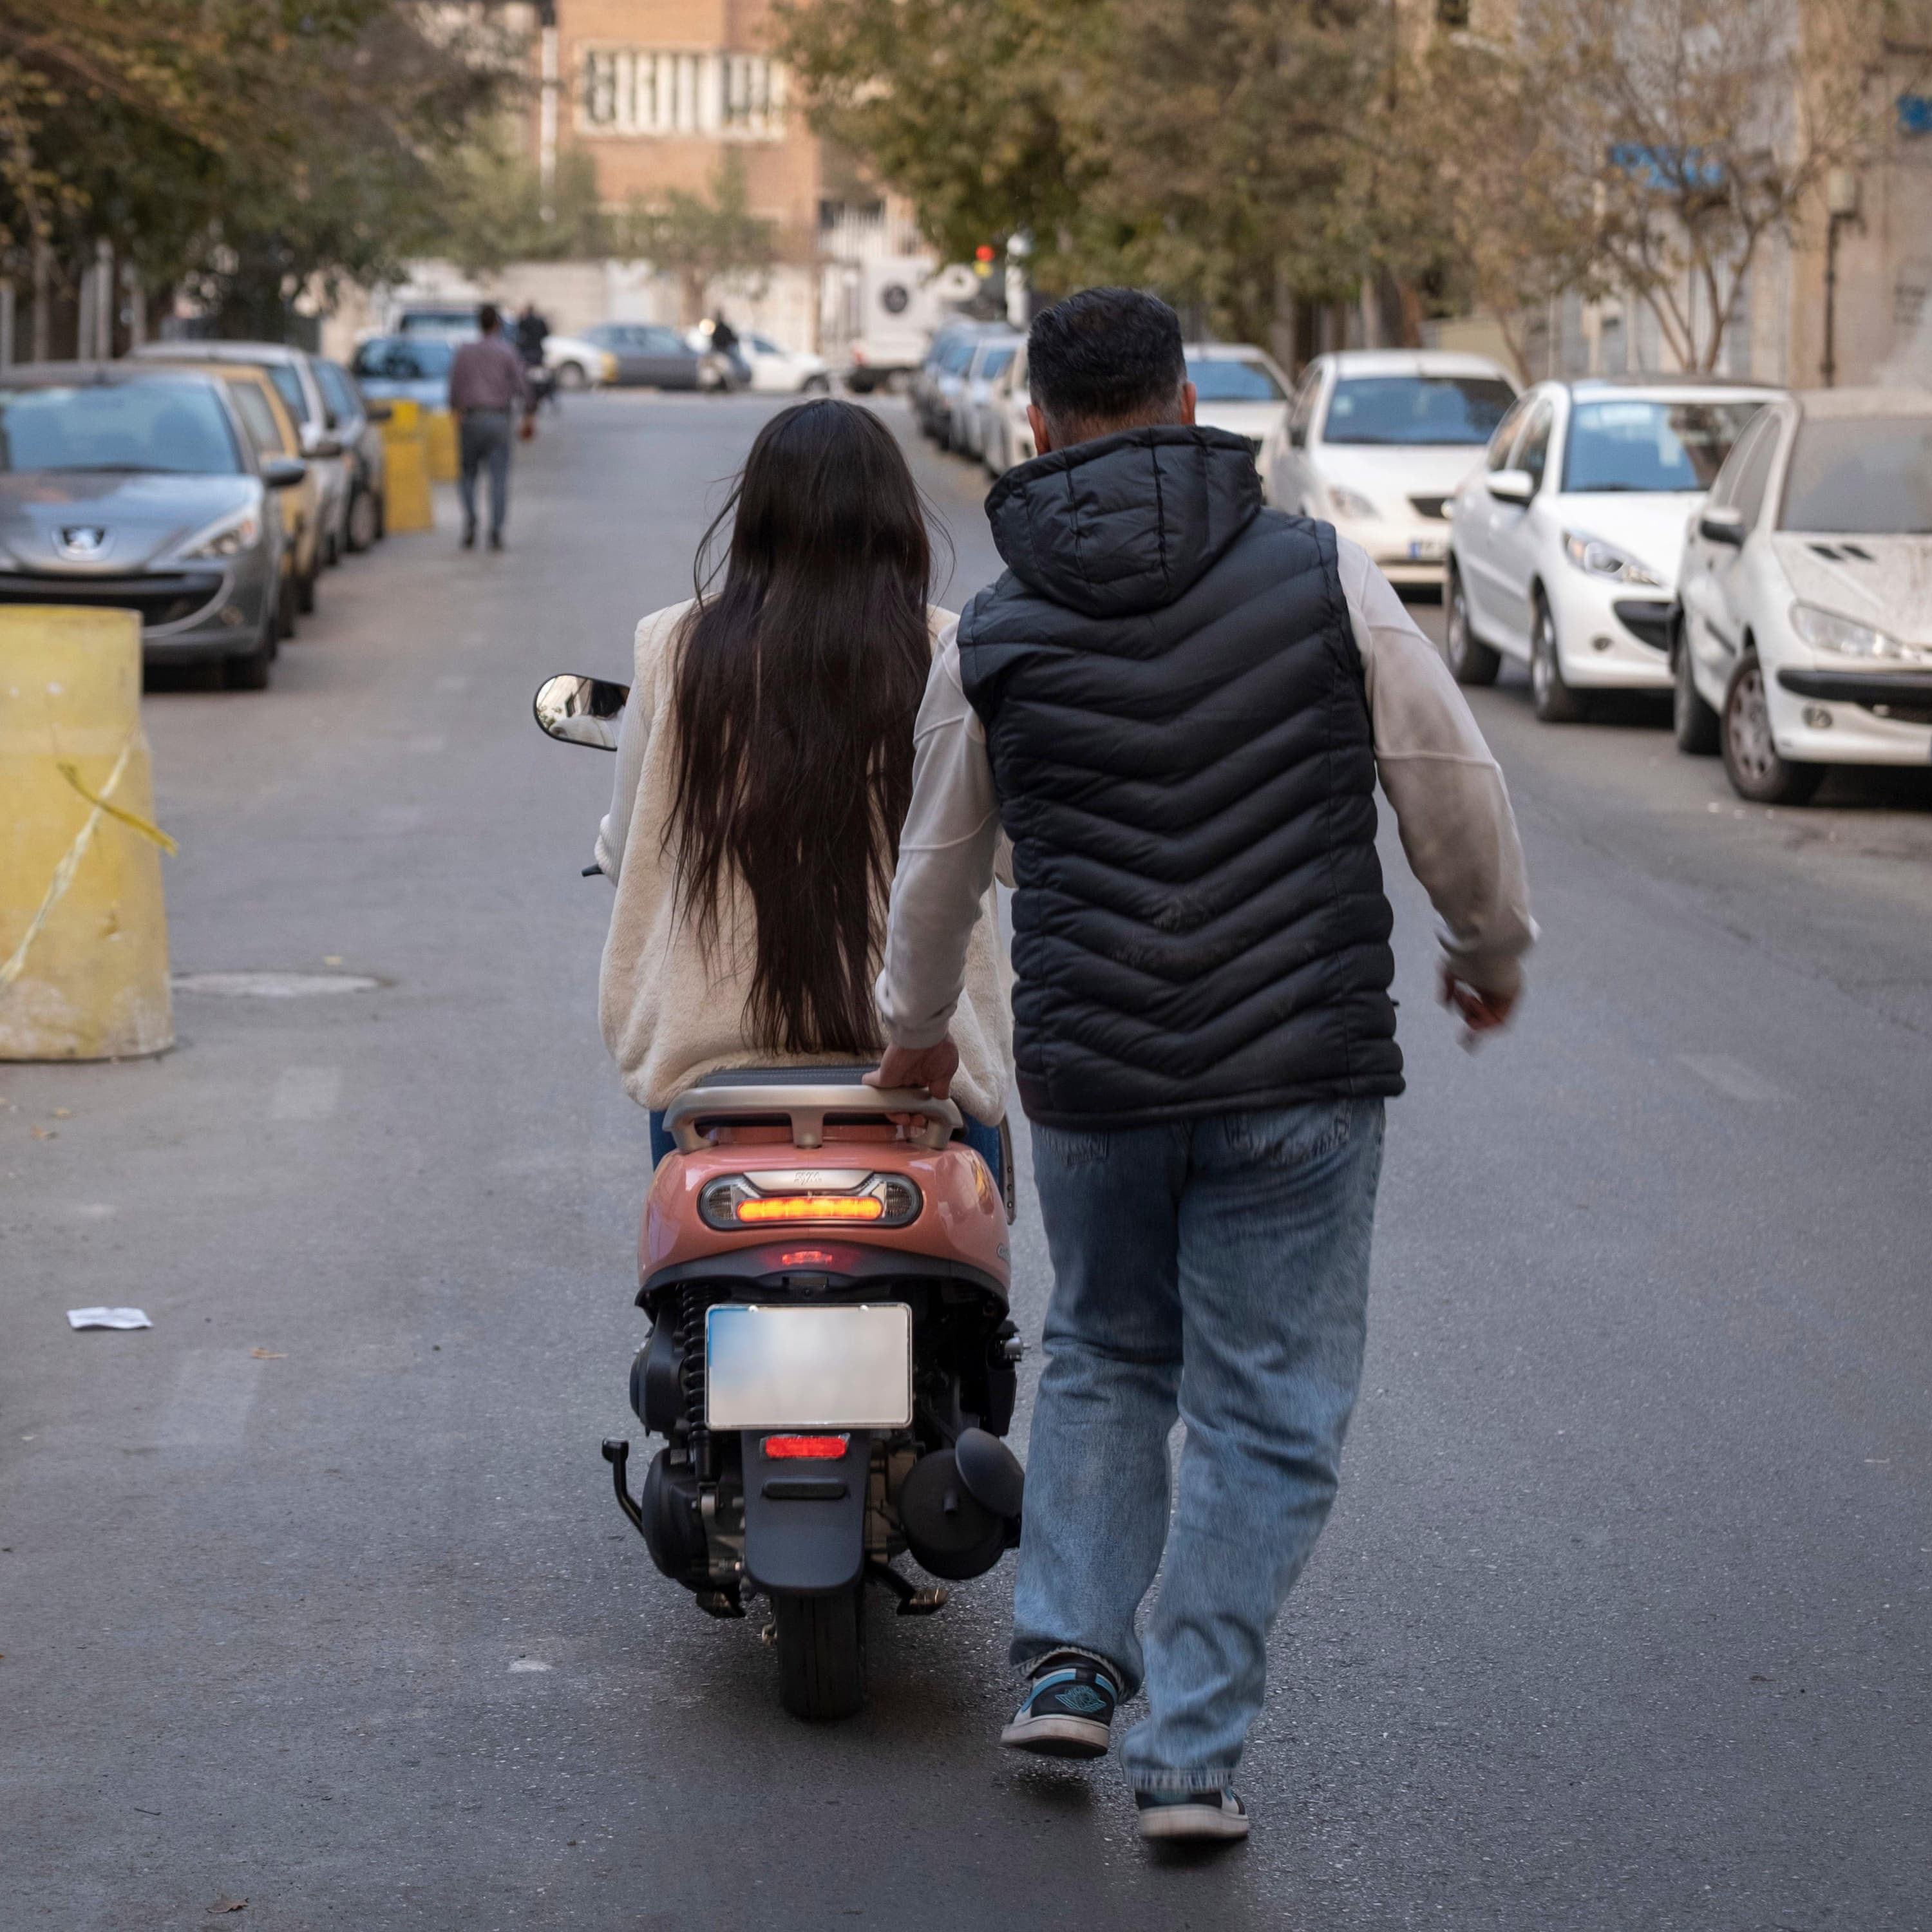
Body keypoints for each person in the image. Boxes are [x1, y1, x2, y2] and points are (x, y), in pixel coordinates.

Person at [868, 289, 1535, 1845]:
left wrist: (913, 1029)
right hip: (1300, 1066)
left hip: (1095, 1075)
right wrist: (1486, 948)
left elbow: (935, 865)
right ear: (1186, 406)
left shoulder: (999, 629)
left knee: (1107, 1349)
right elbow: (1447, 776)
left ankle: (1067, 1663)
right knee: (1266, 1408)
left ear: (1035, 425)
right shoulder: (1322, 573)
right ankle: (1188, 1752)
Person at [594, 397, 1012, 1180]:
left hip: (714, 1080)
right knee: (970, 1256)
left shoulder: (671, 648)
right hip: (917, 1070)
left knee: (679, 1252)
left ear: (754, 520)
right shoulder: (952, 648)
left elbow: (630, 850)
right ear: (897, 522)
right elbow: (1011, 854)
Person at [446, 303, 527, 551]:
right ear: (497, 324)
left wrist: (455, 410)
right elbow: (521, 386)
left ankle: (471, 518)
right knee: (498, 478)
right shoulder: (507, 351)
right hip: (498, 419)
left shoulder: (465, 351)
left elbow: (454, 386)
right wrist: (529, 413)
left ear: (479, 323)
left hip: (471, 419)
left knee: (468, 475)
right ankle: (496, 530)